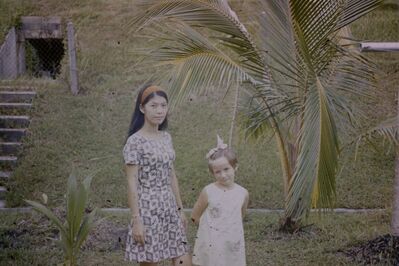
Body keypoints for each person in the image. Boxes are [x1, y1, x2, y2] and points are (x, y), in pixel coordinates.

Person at [123, 84, 191, 266]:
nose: (159, 111)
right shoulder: (134, 142)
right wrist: (136, 220)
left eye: (163, 105)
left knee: (183, 258)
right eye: (153, 106)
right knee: (150, 261)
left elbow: (171, 175)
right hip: (147, 210)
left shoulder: (166, 137)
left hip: (168, 207)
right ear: (142, 108)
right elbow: (131, 183)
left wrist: (180, 210)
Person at [191, 135, 249, 266]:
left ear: (235, 167)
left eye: (226, 169)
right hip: (212, 243)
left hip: (232, 242)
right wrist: (210, 232)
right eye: (217, 172)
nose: (223, 175)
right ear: (212, 173)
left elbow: (240, 215)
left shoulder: (243, 193)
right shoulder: (208, 191)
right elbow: (195, 216)